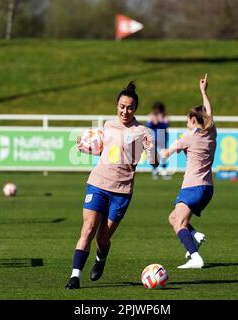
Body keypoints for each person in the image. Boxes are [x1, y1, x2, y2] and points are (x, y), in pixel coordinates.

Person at [66, 81, 156, 289]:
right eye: (122, 106)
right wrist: (85, 145)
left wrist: (151, 152)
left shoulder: (143, 132)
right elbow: (103, 150)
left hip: (122, 191)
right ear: (117, 105)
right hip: (98, 183)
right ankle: (75, 276)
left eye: (130, 107)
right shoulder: (107, 125)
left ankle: (101, 258)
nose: (125, 111)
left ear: (135, 109)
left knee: (103, 238)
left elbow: (153, 161)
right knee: (87, 229)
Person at [161, 74, 216, 269]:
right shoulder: (211, 131)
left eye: (187, 120)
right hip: (207, 188)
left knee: (179, 224)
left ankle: (195, 257)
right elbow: (209, 112)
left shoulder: (188, 137)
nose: (186, 123)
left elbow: (166, 153)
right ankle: (195, 236)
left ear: (193, 119)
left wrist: (161, 153)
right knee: (173, 217)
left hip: (192, 187)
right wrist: (203, 91)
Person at [146, 102, 170, 179]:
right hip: (153, 137)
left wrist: (159, 121)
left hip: (162, 137)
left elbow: (166, 125)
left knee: (164, 154)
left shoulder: (165, 117)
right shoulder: (151, 116)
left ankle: (163, 170)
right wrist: (153, 121)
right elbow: (148, 125)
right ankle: (154, 170)